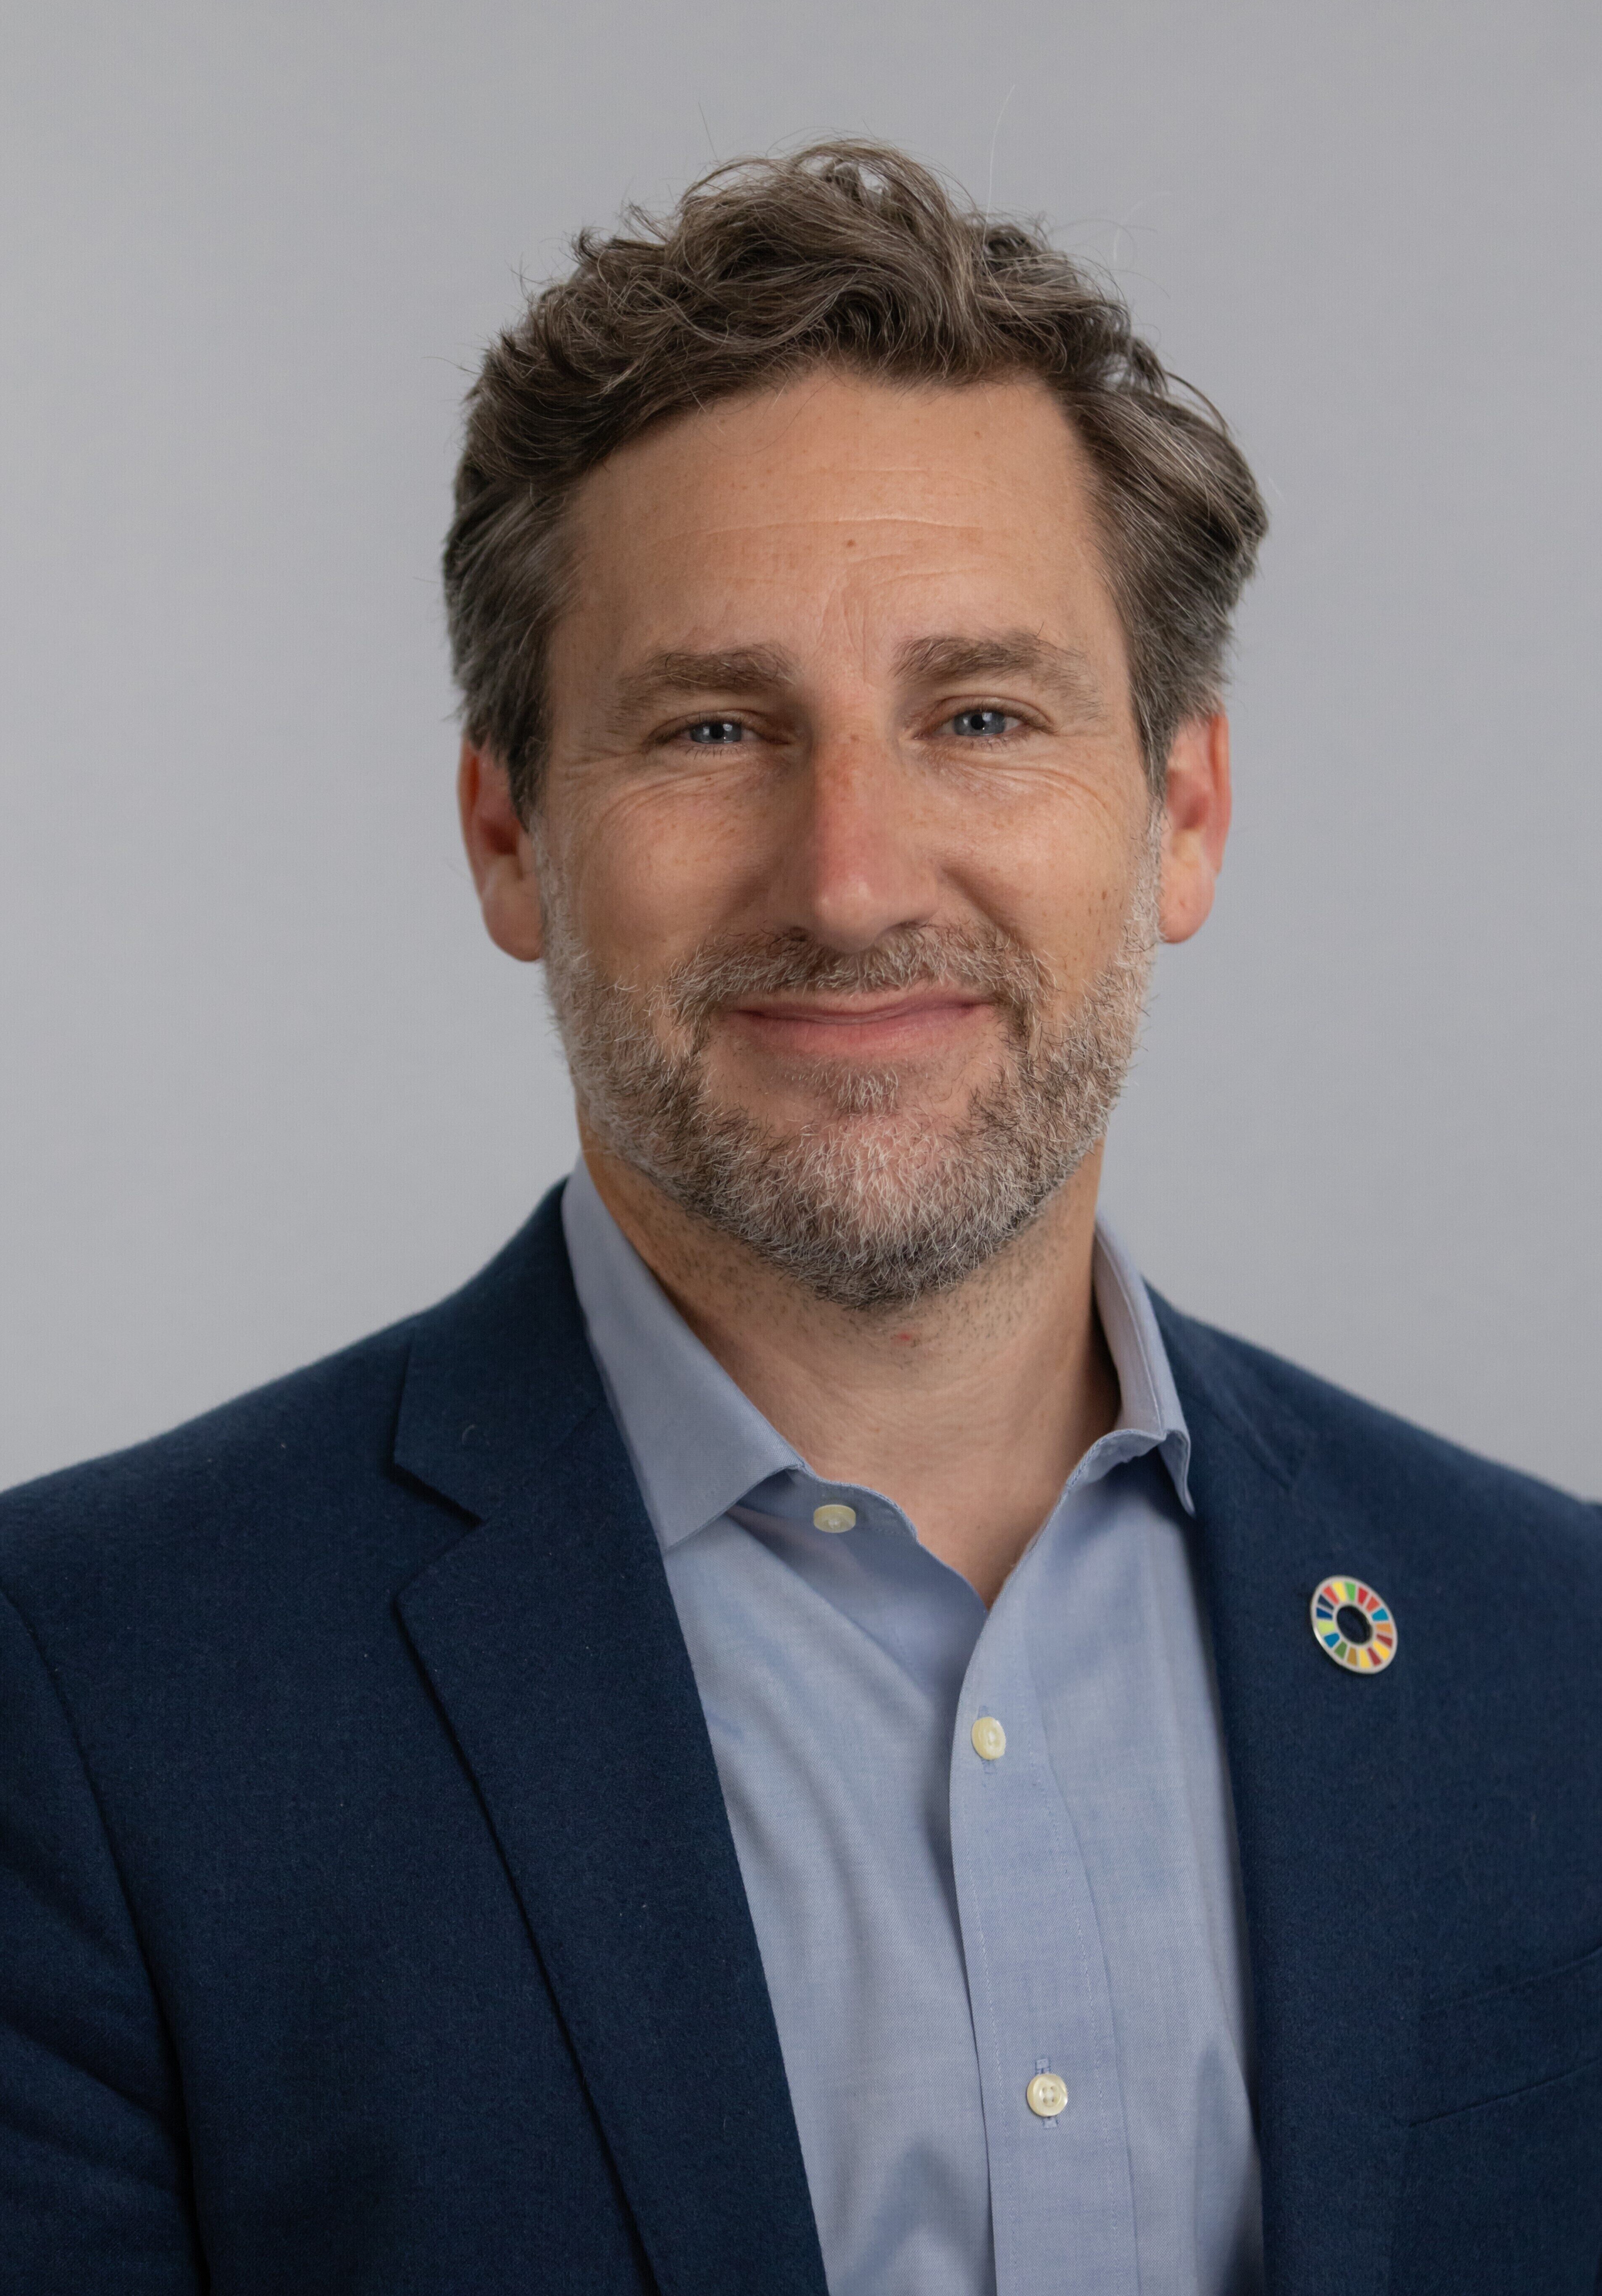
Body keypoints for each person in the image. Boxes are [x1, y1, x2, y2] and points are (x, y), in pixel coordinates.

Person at [2, 142, 1599, 2296]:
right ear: (508, 835)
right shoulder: (90, 1700)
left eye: (982, 716)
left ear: (1183, 811)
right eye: (714, 725)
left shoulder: (1553, 1653)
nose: (849, 882)